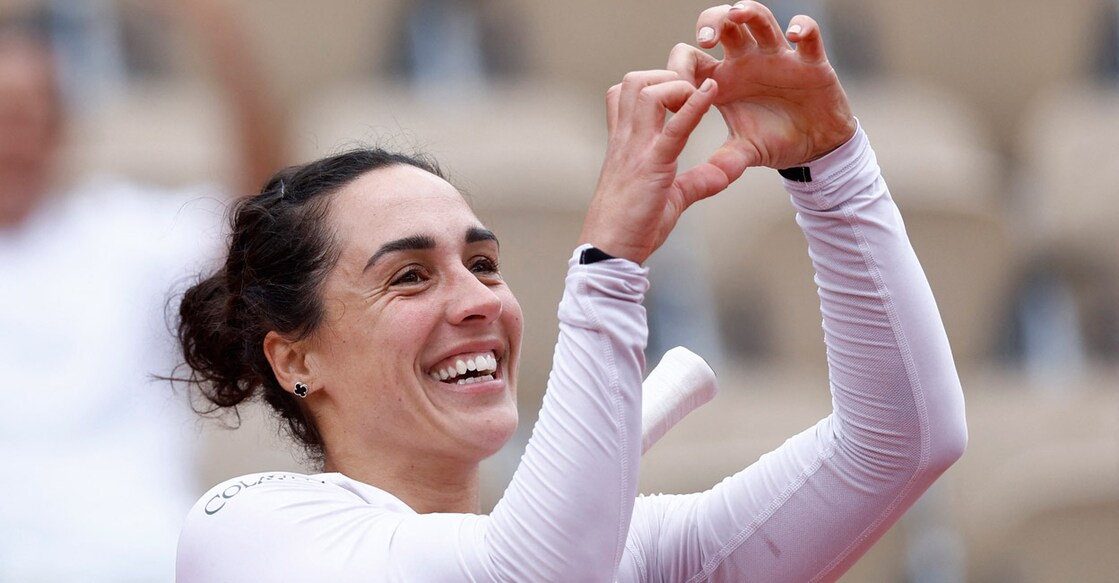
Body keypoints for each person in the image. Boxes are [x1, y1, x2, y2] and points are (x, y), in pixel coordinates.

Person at [173, 3, 967, 581]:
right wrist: (611, 260)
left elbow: (902, 442)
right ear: (294, 356)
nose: (477, 299)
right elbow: (536, 569)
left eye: (483, 264)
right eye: (408, 275)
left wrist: (830, 170)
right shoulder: (246, 528)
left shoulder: (625, 553)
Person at [0, 1, 282, 580]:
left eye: (27, 117)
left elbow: (270, 217)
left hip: (135, 557)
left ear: (60, 128)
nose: (11, 142)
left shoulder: (127, 233)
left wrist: (220, 36)